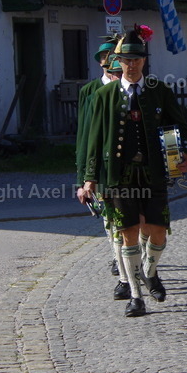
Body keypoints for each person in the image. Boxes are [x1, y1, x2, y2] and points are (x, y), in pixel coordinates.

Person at [81, 26, 187, 317]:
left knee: (158, 232)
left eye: (136, 60)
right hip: (119, 175)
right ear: (118, 61)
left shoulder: (159, 91)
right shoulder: (104, 95)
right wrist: (89, 178)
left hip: (154, 172)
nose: (131, 65)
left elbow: (180, 125)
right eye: (126, 60)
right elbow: (94, 139)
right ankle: (135, 295)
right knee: (128, 232)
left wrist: (186, 153)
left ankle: (149, 271)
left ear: (144, 60)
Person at [75, 35, 121, 284]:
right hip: (99, 163)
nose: (108, 60)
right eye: (104, 56)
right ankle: (117, 255)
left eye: (113, 55)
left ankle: (129, 256)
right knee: (108, 215)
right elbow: (84, 132)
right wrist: (82, 175)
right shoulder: (89, 91)